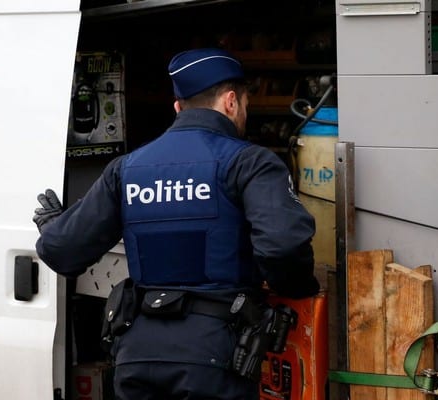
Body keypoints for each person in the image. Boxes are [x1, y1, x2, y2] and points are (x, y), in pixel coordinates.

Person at [33, 48, 319, 400]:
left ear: (177, 107)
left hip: (137, 357)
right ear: (231, 102)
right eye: (245, 104)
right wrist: (299, 289)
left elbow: (62, 251)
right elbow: (283, 247)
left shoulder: (127, 169)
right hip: (214, 358)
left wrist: (55, 226)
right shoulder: (249, 163)